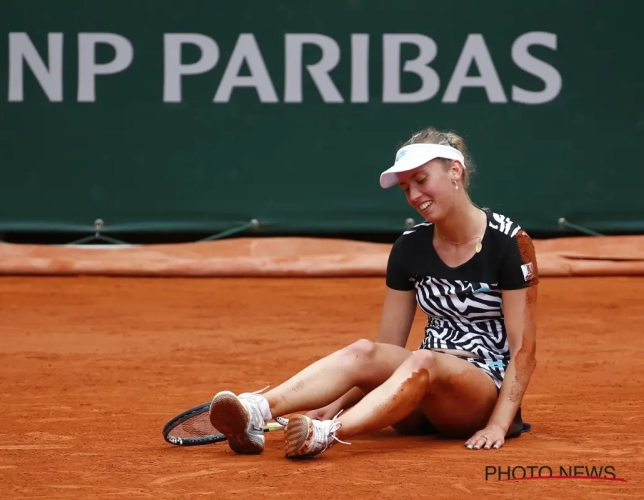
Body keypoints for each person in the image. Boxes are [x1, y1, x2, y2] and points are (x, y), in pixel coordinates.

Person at [208, 126, 539, 459]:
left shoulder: (510, 242)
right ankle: (257, 410)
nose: (413, 196)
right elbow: (385, 351)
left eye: (421, 180)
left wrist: (498, 425)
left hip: (477, 395)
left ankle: (329, 433)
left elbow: (523, 351)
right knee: (364, 351)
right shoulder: (409, 247)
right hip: (418, 394)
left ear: (455, 171)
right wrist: (332, 404)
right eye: (406, 187)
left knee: (423, 358)